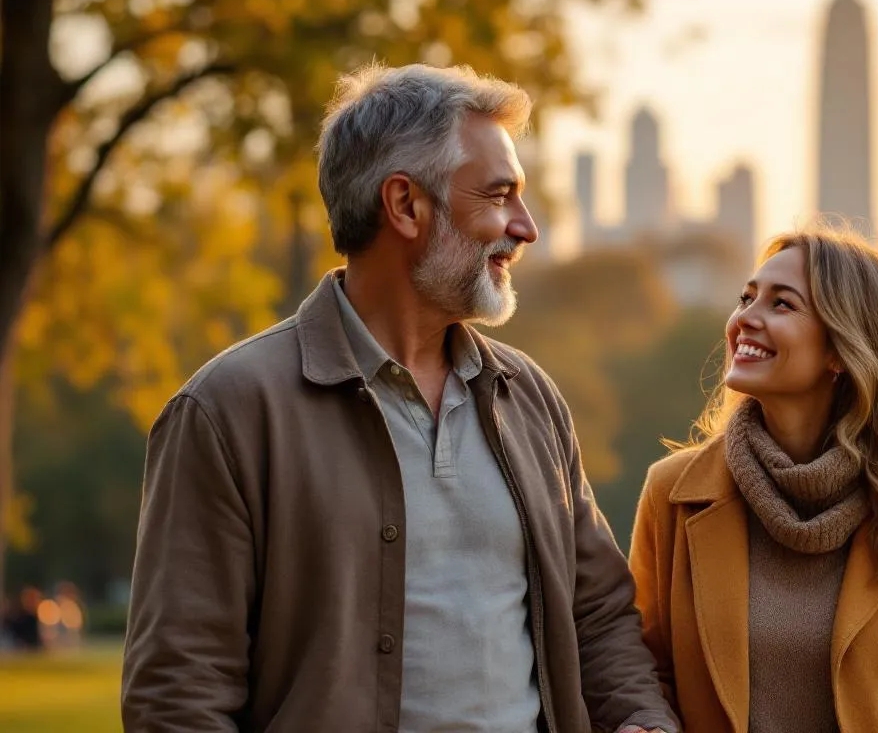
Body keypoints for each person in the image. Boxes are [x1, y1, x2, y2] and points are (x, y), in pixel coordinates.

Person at [122, 63, 677, 733]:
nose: (525, 228)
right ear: (406, 205)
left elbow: (600, 619)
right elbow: (180, 693)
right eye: (498, 196)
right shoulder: (227, 414)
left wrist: (642, 720)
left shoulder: (529, 399)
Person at [629, 226, 878, 732]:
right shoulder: (673, 492)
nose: (744, 320)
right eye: (746, 298)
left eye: (781, 305)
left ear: (842, 349)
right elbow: (646, 672)